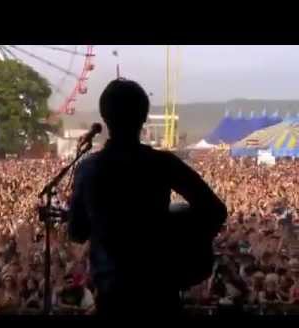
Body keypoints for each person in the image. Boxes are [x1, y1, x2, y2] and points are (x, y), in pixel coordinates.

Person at [67, 79, 227, 315]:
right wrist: (182, 242)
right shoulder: (162, 163)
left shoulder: (88, 170)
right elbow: (215, 211)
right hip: (159, 291)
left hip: (112, 296)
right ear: (143, 118)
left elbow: (78, 233)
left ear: (104, 118)